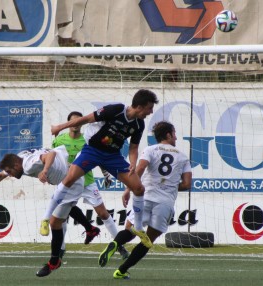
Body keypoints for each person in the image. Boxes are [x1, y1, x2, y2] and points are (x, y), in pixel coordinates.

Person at [41, 89, 159, 275]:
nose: (150, 112)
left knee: (138, 188)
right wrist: (60, 127)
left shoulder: (139, 123)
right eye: (149, 108)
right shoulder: (116, 110)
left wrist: (133, 163)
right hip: (93, 151)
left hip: (112, 157)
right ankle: (46, 218)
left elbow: (134, 147)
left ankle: (137, 228)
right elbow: (85, 119)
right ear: (140, 106)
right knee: (69, 179)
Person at [98, 121, 192, 279]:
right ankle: (121, 270)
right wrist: (171, 186)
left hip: (144, 196)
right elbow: (187, 184)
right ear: (168, 135)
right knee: (148, 240)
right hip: (165, 202)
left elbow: (139, 170)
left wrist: (128, 189)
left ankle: (115, 244)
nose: (176, 137)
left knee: (130, 229)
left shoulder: (150, 150)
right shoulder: (183, 157)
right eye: (174, 133)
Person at [0, 146, 96, 258]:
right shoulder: (19, 158)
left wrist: (45, 171)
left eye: (10, 172)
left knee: (54, 221)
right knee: (64, 208)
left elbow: (51, 155)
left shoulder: (27, 165)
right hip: (66, 178)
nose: (10, 175)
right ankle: (89, 229)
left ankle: (55, 259)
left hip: (72, 181)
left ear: (16, 166)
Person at [40, 111, 129, 258]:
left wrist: (106, 174)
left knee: (103, 213)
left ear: (81, 124)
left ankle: (119, 245)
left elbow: (99, 157)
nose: (76, 125)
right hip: (67, 182)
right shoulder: (60, 139)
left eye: (79, 121)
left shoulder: (88, 140)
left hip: (87, 181)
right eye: (73, 121)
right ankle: (60, 249)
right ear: (69, 123)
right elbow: (54, 157)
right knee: (61, 216)